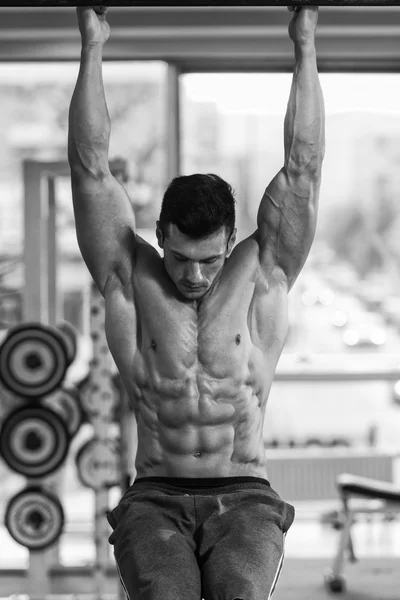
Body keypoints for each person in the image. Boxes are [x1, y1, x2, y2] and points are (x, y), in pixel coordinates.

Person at [68, 5, 325, 600]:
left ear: (230, 242)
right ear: (161, 235)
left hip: (245, 496)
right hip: (154, 495)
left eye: (210, 259)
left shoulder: (262, 275)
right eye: (181, 257)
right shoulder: (131, 278)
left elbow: (303, 168)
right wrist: (91, 46)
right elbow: (89, 170)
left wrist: (305, 44)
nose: (194, 273)